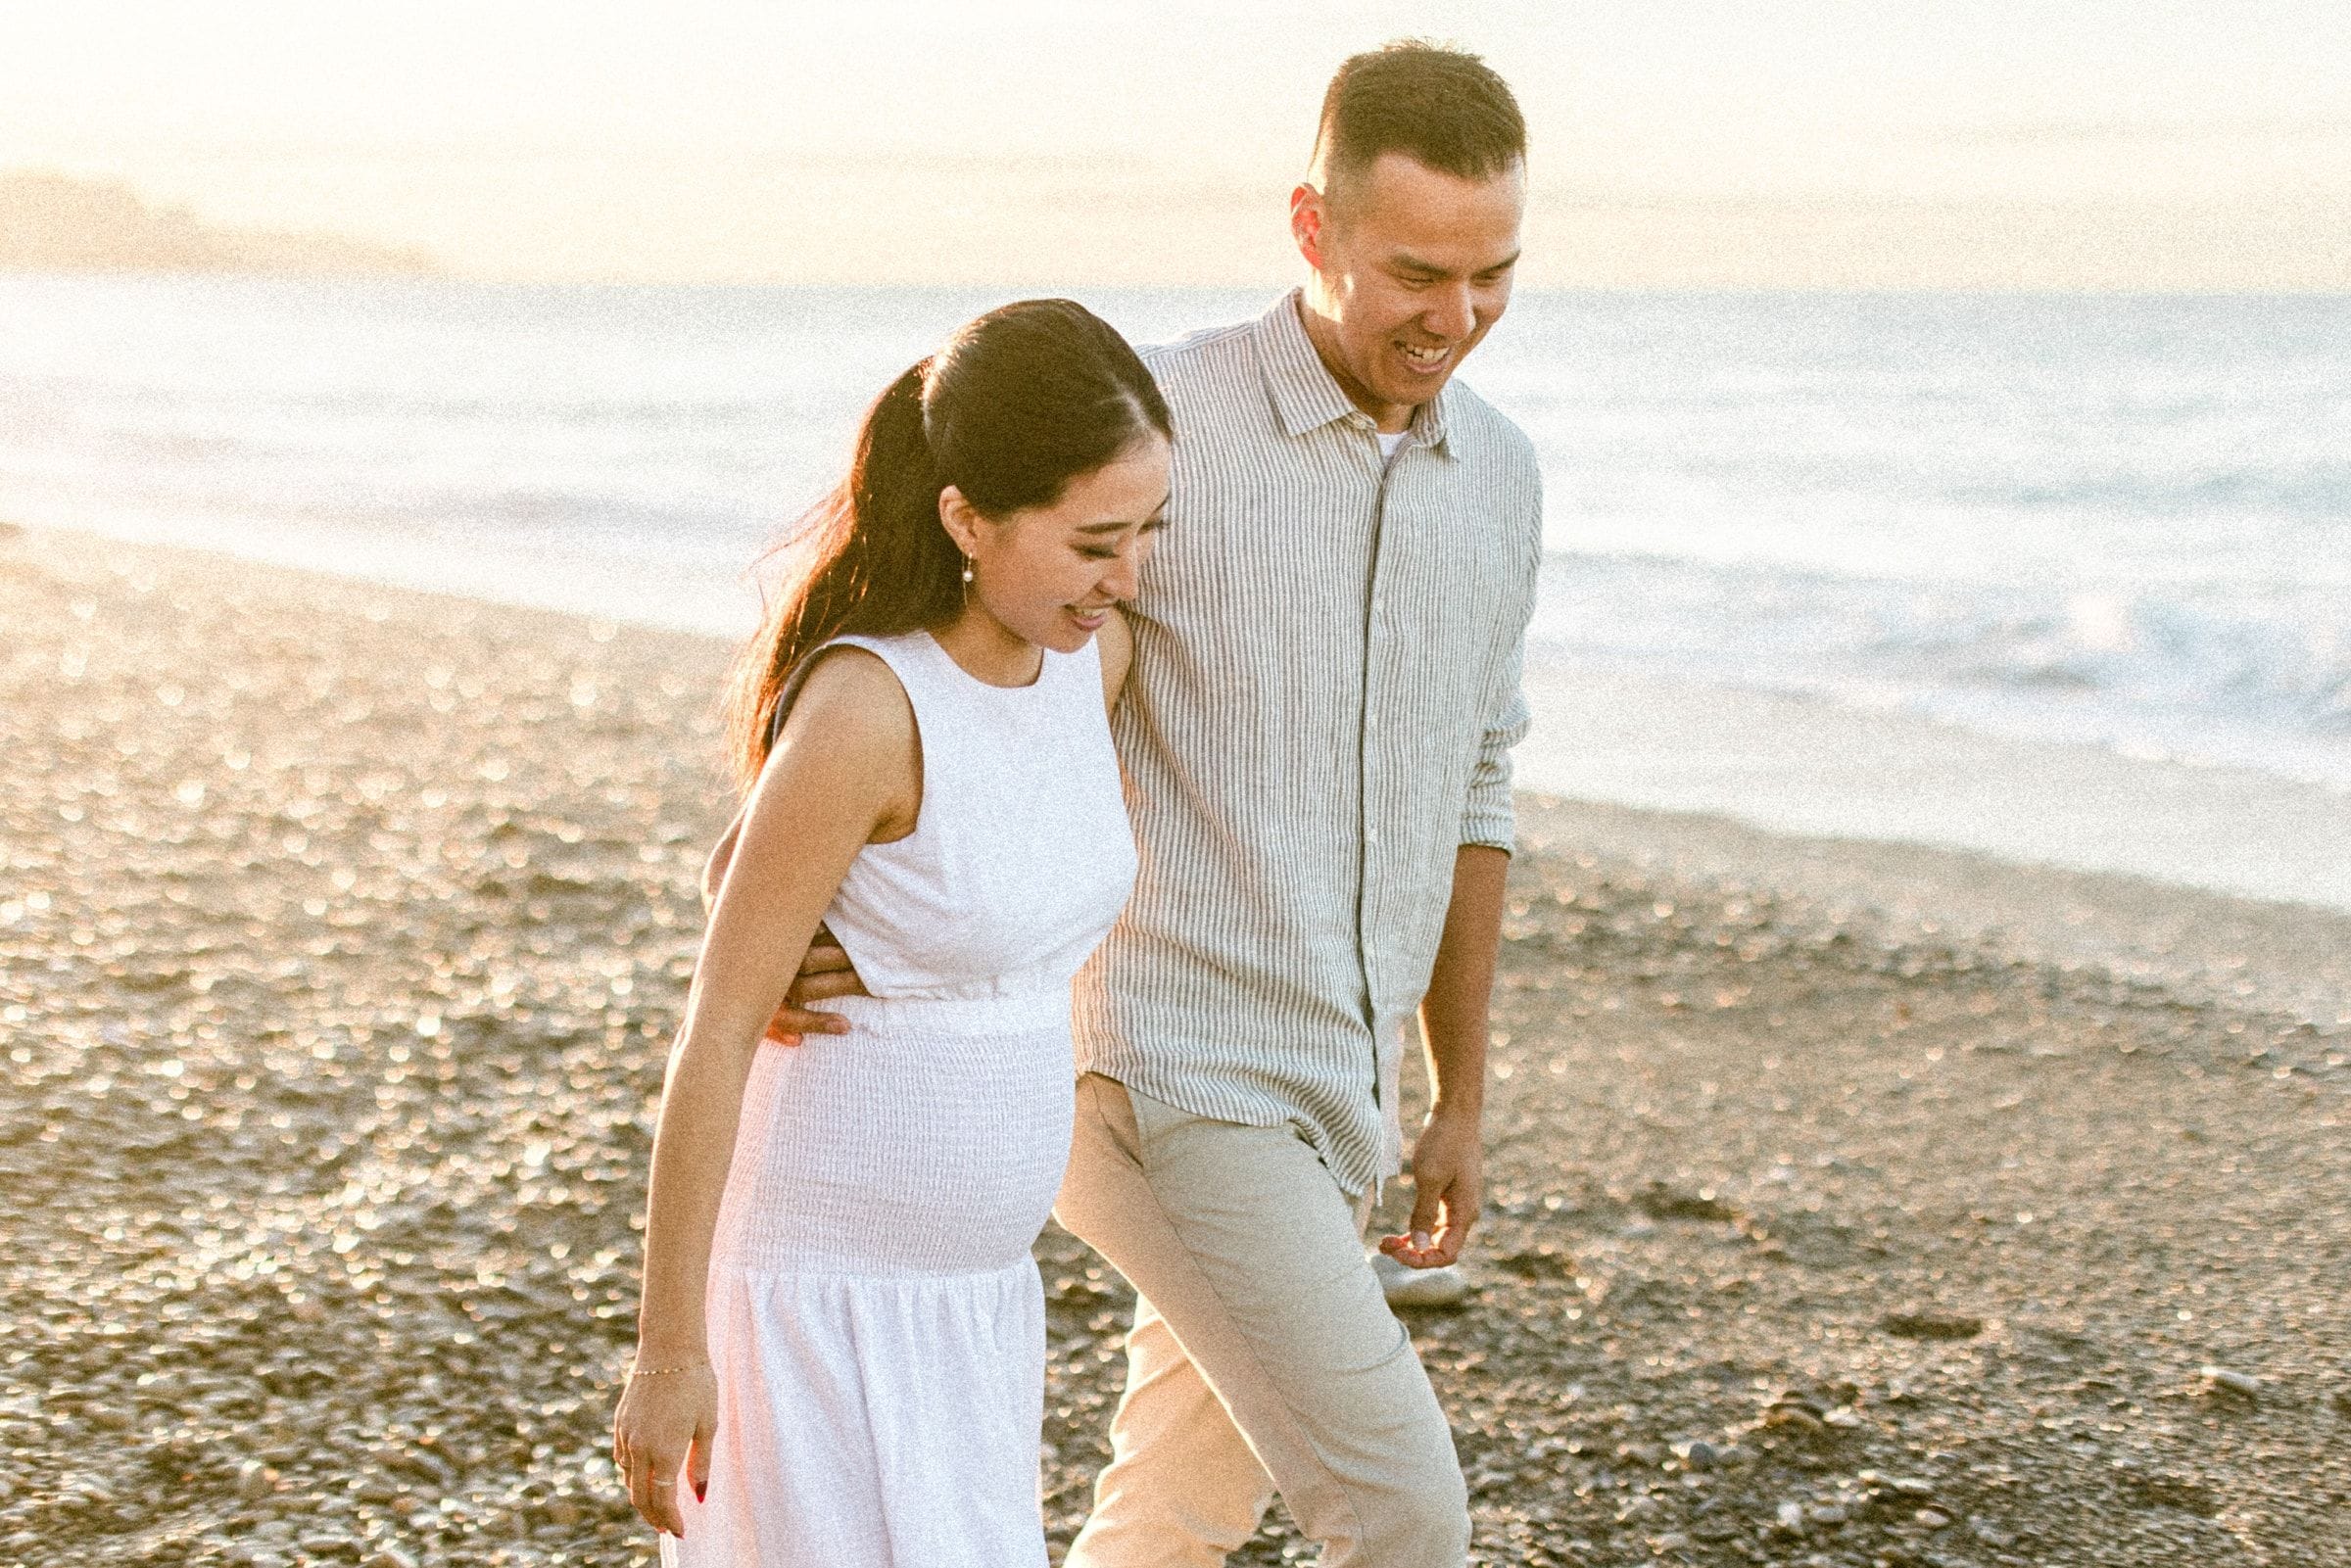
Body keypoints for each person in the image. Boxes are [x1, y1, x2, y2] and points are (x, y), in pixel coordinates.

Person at [753, 40, 1540, 1567]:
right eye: (1415, 271)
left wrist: (1459, 1095)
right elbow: (934, 643)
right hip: (1163, 1071)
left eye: (1494, 272)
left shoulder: (1500, 477)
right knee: (1402, 1510)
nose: (1455, 317)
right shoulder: (1161, 429)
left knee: (1174, 1512)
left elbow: (1478, 787)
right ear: (1311, 230)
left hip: (1340, 1095)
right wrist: (775, 863)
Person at [610, 298, 1171, 1566]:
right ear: (969, 518)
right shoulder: (869, 706)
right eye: (1095, 539)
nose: (1129, 573)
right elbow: (713, 1040)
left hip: (975, 1303)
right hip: (812, 1299)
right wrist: (670, 1348)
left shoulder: (1099, 659)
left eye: (1148, 532)